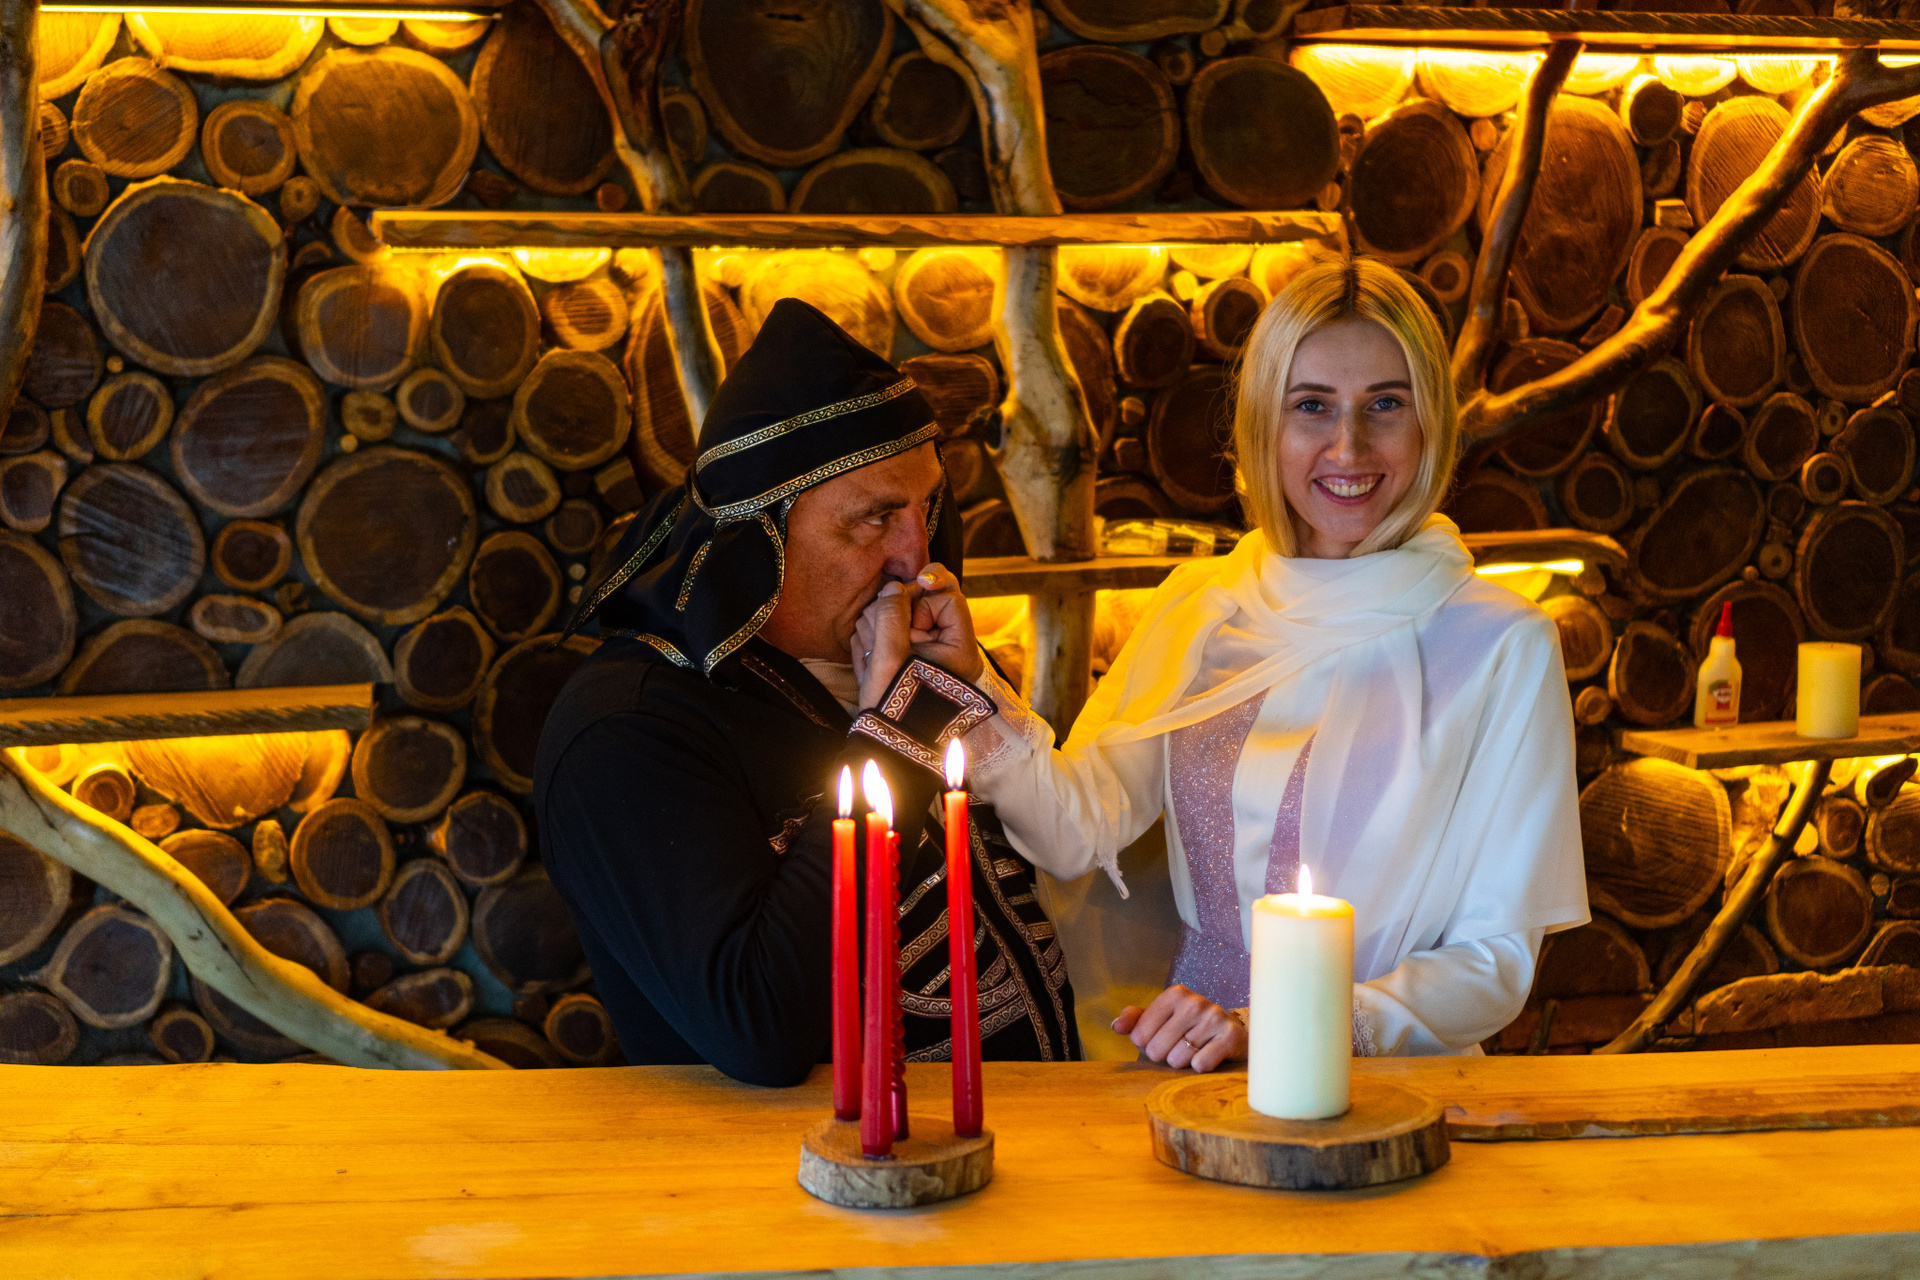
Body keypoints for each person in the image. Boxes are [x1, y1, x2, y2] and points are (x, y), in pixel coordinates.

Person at [867, 257, 1587, 1071]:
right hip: (1188, 1066)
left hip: (1384, 1079)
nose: (1348, 445)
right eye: (1311, 406)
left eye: (1386, 404)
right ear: (1262, 425)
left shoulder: (1503, 644)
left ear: (1432, 424)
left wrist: (1290, 1026)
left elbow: (1495, 962)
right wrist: (969, 682)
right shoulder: (1199, 605)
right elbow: (1078, 832)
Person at [533, 298, 1077, 1086]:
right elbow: (760, 1025)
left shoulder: (889, 656)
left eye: (926, 507)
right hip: (816, 1162)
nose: (915, 557)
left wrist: (943, 693)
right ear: (761, 536)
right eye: (875, 518)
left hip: (1025, 1138)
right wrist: (901, 730)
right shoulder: (627, 731)